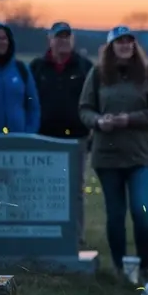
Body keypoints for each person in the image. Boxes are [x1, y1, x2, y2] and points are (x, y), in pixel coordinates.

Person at [79, 26, 148, 281]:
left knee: (142, 212)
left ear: (134, 46)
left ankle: (145, 268)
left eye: (129, 41)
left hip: (140, 156)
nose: (124, 45)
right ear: (110, 46)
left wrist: (129, 119)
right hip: (108, 156)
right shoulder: (97, 74)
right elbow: (84, 109)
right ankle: (120, 268)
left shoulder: (146, 73)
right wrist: (99, 122)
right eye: (119, 42)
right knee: (115, 215)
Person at [30, 21, 94, 247]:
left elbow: (93, 102)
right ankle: (44, 233)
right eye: (59, 37)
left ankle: (75, 236)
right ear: (50, 39)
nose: (63, 41)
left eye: (67, 36)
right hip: (43, 138)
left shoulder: (84, 66)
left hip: (76, 138)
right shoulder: (37, 67)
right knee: (42, 187)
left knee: (74, 189)